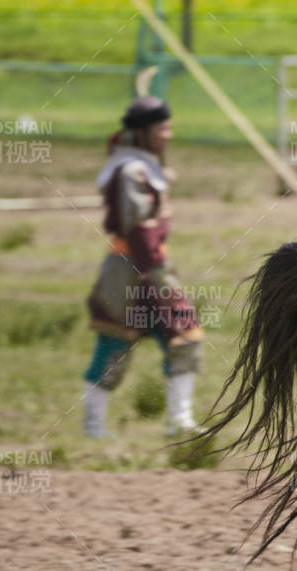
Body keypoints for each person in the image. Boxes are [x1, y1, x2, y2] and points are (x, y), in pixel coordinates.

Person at [81, 96, 204, 438]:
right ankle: (94, 426)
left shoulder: (141, 168)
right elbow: (137, 230)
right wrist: (153, 275)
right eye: (162, 128)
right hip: (131, 271)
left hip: (151, 266)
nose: (168, 134)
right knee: (114, 347)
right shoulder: (129, 172)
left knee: (184, 337)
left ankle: (179, 423)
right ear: (143, 133)